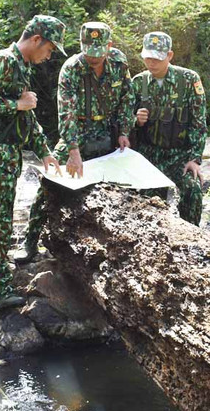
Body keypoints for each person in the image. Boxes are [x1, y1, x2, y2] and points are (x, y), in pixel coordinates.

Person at [0, 15, 64, 310]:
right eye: (49, 49)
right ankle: (3, 290)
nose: (48, 56)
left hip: (6, 154)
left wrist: (44, 151)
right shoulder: (5, 60)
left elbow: (26, 117)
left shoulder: (20, 67)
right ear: (36, 39)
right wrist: (16, 104)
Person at [23, 22, 133, 257]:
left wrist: (124, 132)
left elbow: (127, 97)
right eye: (88, 52)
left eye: (98, 53)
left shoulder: (119, 62)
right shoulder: (71, 68)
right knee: (51, 180)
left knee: (118, 184)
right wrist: (73, 150)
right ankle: (30, 241)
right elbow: (66, 112)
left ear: (109, 46)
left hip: (107, 131)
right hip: (77, 131)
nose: (93, 58)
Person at [130, 32, 207, 226]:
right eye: (148, 57)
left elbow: (198, 122)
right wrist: (135, 120)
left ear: (169, 56)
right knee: (147, 206)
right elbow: (122, 122)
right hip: (149, 155)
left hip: (178, 156)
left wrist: (194, 159)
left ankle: (191, 236)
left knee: (193, 190)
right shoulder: (138, 83)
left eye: (157, 58)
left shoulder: (189, 80)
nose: (152, 62)